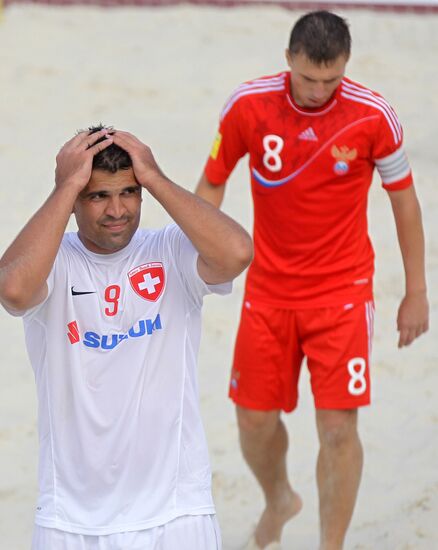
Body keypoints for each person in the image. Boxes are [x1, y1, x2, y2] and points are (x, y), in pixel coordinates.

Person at [196, 10, 429, 550]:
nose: (320, 91)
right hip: (268, 290)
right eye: (308, 78)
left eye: (332, 80)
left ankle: (331, 545)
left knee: (339, 429)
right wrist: (198, 266)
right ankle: (280, 498)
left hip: (342, 293)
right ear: (288, 61)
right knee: (253, 422)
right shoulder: (248, 106)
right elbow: (209, 186)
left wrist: (416, 292)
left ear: (345, 67)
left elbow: (406, 206)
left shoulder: (374, 116)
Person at [0, 125, 253, 550]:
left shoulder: (171, 250)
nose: (117, 209)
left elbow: (237, 253)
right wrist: (65, 186)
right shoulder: (52, 261)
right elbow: (13, 291)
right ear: (74, 200)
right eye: (98, 195)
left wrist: (155, 177)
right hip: (71, 519)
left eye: (129, 192)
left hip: (176, 512)